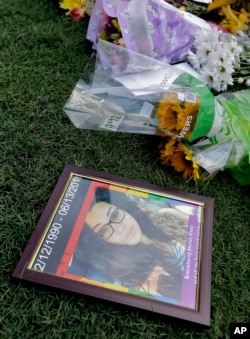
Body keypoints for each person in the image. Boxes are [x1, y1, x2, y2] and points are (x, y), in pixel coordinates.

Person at [73, 187, 192, 300]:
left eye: (115, 215)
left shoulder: (166, 226)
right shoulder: (129, 280)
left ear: (125, 209)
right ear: (103, 242)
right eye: (104, 230)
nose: (119, 227)